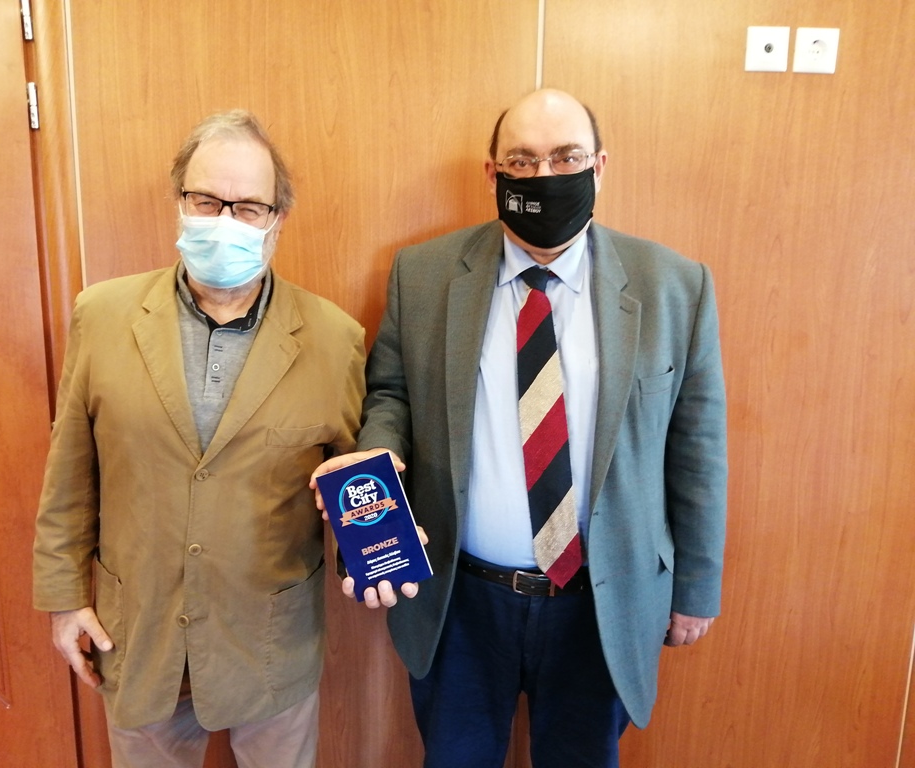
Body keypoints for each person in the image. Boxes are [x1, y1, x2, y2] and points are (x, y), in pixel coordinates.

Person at [311, 88, 727, 768]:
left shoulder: (674, 286)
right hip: (460, 601)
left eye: (566, 157)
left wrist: (697, 588)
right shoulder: (424, 274)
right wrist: (375, 469)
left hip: (602, 603)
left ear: (599, 167)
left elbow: (698, 449)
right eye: (523, 161)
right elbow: (392, 395)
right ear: (493, 173)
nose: (544, 175)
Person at [33, 110, 365, 768]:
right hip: (137, 636)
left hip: (270, 645)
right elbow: (70, 470)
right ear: (179, 203)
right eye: (206, 200)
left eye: (248, 207)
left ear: (277, 220)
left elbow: (355, 483)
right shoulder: (102, 315)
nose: (223, 221)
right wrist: (63, 599)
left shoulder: (335, 339)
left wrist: (380, 553)